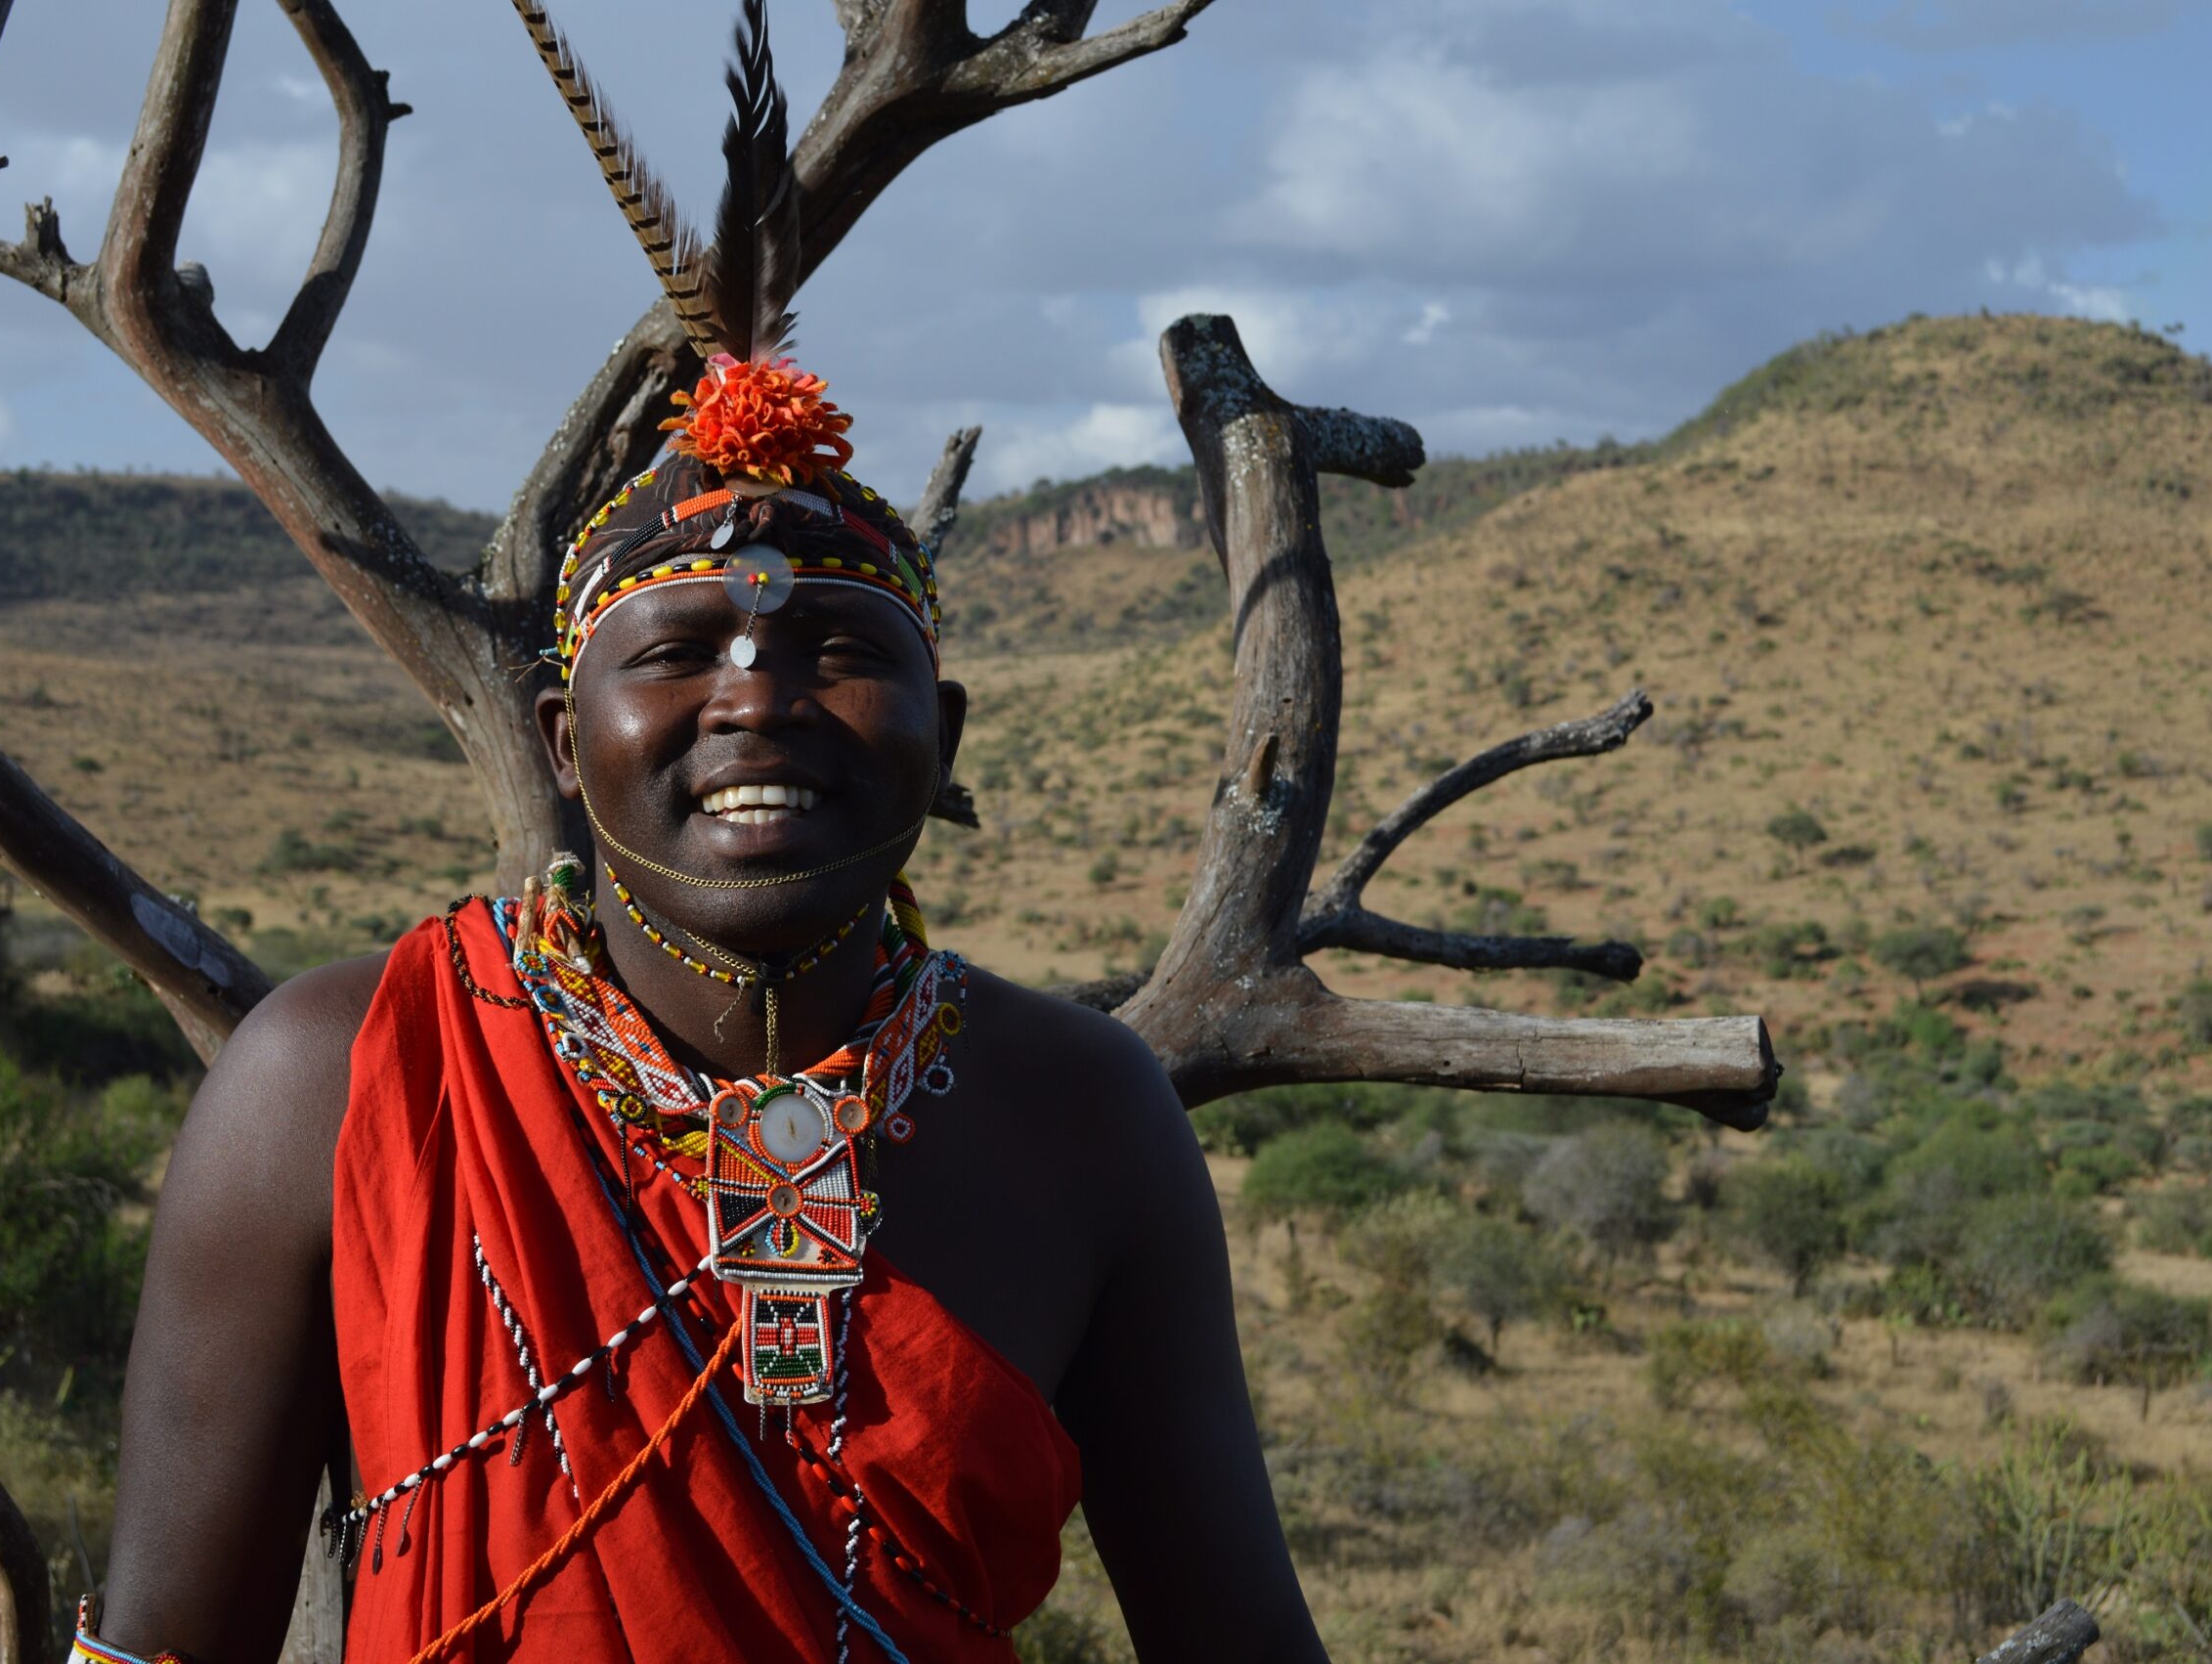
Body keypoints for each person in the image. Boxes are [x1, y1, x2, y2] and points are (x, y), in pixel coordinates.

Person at [75, 6, 1326, 1661]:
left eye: (843, 650)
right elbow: (163, 1645)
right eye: (676, 653)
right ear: (556, 740)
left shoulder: (1083, 1117)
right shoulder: (341, 1075)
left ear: (941, 741)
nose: (762, 697)